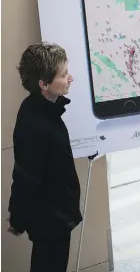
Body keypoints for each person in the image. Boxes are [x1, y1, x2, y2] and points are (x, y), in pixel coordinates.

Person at [8, 43, 81, 272]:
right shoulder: (36, 124)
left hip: (55, 217)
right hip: (50, 221)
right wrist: (18, 220)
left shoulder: (41, 108)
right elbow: (25, 177)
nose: (71, 78)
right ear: (44, 84)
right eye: (64, 74)